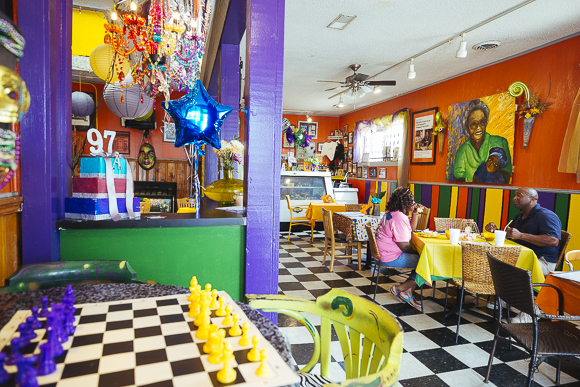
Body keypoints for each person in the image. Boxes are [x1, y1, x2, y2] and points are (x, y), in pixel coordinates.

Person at [485, 187, 561, 275]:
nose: (514, 198)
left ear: (532, 199)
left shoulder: (545, 216)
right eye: (514, 196)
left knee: (500, 266)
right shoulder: (520, 215)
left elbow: (553, 241)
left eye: (519, 195)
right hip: (522, 257)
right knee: (491, 261)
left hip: (542, 262)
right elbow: (511, 234)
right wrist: (496, 231)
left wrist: (521, 235)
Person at [375, 187, 421, 309]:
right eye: (411, 200)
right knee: (427, 262)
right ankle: (400, 288)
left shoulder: (390, 213)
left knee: (423, 259)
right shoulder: (399, 217)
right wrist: (419, 251)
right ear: (405, 202)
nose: (413, 202)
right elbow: (404, 246)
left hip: (381, 254)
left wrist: (415, 212)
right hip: (389, 257)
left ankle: (407, 292)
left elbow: (412, 229)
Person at [453, 99, 512, 183]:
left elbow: (508, 175)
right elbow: (458, 180)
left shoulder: (500, 142)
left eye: (482, 122)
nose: (479, 128)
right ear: (467, 126)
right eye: (474, 124)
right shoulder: (462, 151)